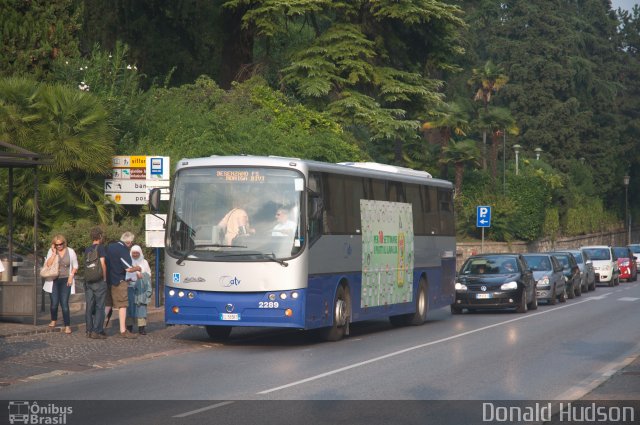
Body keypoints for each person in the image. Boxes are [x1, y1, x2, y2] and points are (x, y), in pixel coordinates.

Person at [43, 234, 78, 334]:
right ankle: (54, 319)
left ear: (64, 243)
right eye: (56, 244)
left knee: (64, 304)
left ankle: (67, 325)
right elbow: (48, 265)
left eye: (61, 244)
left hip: (66, 280)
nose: (59, 246)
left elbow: (75, 265)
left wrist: (71, 276)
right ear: (54, 245)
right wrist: (54, 254)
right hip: (53, 280)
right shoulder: (52, 251)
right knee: (54, 304)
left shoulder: (70, 252)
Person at [106, 232, 137, 338]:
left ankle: (98, 328)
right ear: (129, 242)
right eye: (131, 243)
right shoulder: (123, 250)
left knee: (107, 305)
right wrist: (138, 268)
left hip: (107, 280)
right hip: (118, 280)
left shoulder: (110, 247)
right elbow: (128, 268)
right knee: (122, 305)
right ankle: (123, 330)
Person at [84, 227, 108, 339]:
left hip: (89, 281)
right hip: (98, 281)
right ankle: (97, 331)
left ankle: (89, 329)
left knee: (89, 306)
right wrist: (104, 278)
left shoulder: (87, 249)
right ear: (100, 236)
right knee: (99, 306)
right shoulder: (101, 248)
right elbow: (102, 263)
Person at [125, 245, 152, 335]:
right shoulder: (127, 261)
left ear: (140, 253)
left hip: (141, 288)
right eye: (133, 253)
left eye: (137, 253)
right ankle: (129, 327)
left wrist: (142, 275)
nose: (135, 254)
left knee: (141, 307)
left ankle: (141, 328)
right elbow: (125, 273)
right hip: (130, 288)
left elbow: (148, 274)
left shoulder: (144, 262)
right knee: (130, 307)